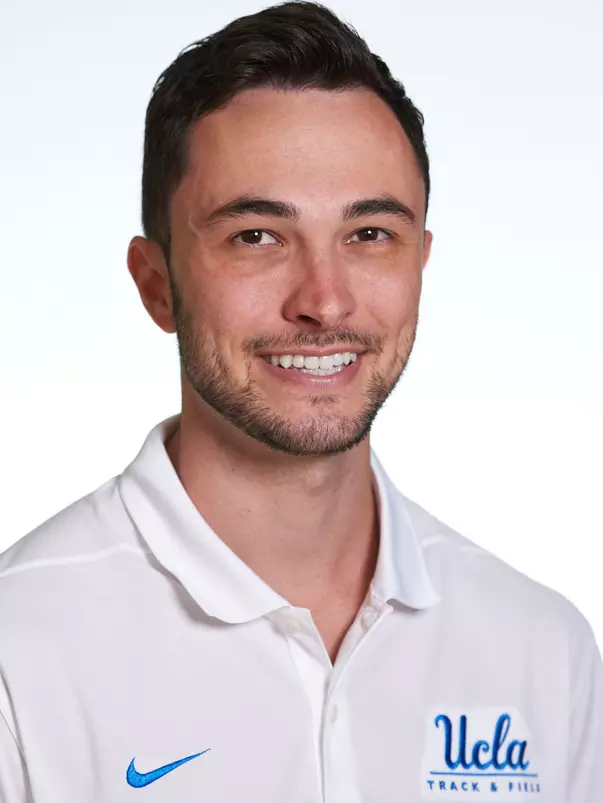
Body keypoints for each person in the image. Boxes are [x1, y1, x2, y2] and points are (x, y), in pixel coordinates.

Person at [1, 1, 601, 800]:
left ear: (420, 263)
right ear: (157, 285)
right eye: (257, 236)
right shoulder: (21, 647)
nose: (324, 301)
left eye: (368, 235)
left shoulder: (540, 648)